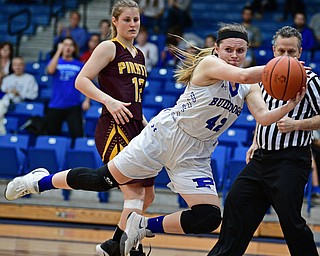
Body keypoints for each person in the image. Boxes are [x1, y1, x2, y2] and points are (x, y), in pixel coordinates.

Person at [4, 22, 305, 256]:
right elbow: (241, 75)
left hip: (195, 154)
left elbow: (265, 118)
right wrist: (283, 65)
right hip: (166, 135)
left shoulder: (249, 88)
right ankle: (38, 181)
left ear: (247, 51)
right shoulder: (210, 66)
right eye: (230, 50)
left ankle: (143, 225)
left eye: (241, 51)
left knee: (209, 217)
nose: (235, 56)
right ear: (217, 49)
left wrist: (290, 104)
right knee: (100, 180)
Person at [208, 26, 320, 256]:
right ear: (273, 51)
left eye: (291, 52)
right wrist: (256, 141)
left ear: (300, 52)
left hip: (291, 160)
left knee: (290, 221)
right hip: (261, 159)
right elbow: (263, 113)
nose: (286, 57)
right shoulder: (263, 77)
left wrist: (297, 124)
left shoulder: (309, 80)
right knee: (236, 205)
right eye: (281, 51)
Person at [56, 1, 156, 256]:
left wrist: (143, 120)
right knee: (133, 191)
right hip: (113, 124)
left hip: (134, 123)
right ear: (114, 21)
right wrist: (108, 101)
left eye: (136, 19)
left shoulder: (140, 54)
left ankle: (118, 244)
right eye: (127, 20)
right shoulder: (108, 47)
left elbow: (133, 95)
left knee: (148, 195)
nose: (133, 24)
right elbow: (81, 80)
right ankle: (126, 247)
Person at [45, 36, 89, 142]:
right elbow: (50, 70)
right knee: (51, 136)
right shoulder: (56, 62)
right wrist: (58, 51)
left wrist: (87, 100)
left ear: (74, 48)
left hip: (73, 106)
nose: (67, 47)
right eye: (65, 45)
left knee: (78, 136)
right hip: (55, 105)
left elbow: (87, 82)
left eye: (70, 45)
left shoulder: (79, 65)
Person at [0, 56, 39, 134]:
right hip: (7, 104)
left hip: (22, 104)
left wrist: (19, 94)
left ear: (24, 66)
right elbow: (3, 92)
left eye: (20, 64)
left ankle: (2, 132)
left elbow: (34, 95)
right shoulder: (7, 79)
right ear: (12, 66)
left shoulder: (30, 78)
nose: (17, 67)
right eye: (15, 65)